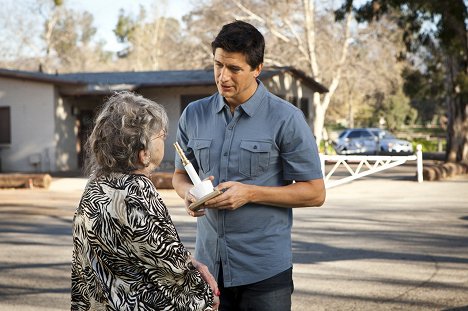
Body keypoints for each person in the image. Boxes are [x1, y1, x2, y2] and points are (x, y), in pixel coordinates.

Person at [172, 20, 326, 311]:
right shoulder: (194, 114)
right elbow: (180, 175)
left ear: (258, 68)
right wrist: (188, 194)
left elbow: (315, 193)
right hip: (207, 269)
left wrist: (251, 193)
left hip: (264, 271)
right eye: (218, 65)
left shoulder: (287, 119)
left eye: (234, 69)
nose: (223, 77)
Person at [71, 91, 219, 311]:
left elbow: (82, 261)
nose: (164, 139)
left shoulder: (95, 185)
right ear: (144, 154)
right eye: (160, 136)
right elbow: (169, 264)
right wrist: (207, 297)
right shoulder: (138, 192)